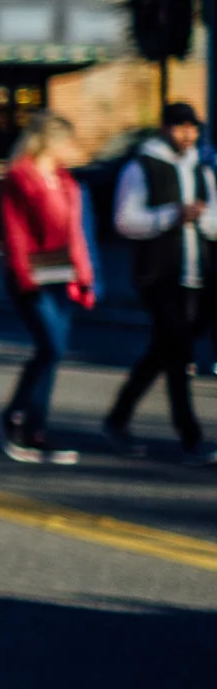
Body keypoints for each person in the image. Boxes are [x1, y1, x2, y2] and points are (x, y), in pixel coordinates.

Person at [102, 101, 217, 462]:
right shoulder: (142, 166)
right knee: (178, 351)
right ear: (165, 128)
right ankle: (190, 437)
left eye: (193, 128)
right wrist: (172, 214)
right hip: (159, 273)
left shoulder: (201, 168)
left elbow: (215, 220)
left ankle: (117, 418)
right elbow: (125, 220)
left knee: (164, 350)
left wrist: (199, 218)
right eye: (182, 128)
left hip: (197, 272)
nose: (188, 135)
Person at [0, 112, 95, 465]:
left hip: (62, 276)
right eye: (67, 141)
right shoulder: (19, 177)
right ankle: (15, 415)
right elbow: (15, 232)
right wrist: (24, 278)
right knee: (50, 345)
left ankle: (35, 430)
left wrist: (85, 278)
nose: (72, 148)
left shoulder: (67, 182)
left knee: (52, 352)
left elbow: (76, 235)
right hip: (31, 278)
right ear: (51, 141)